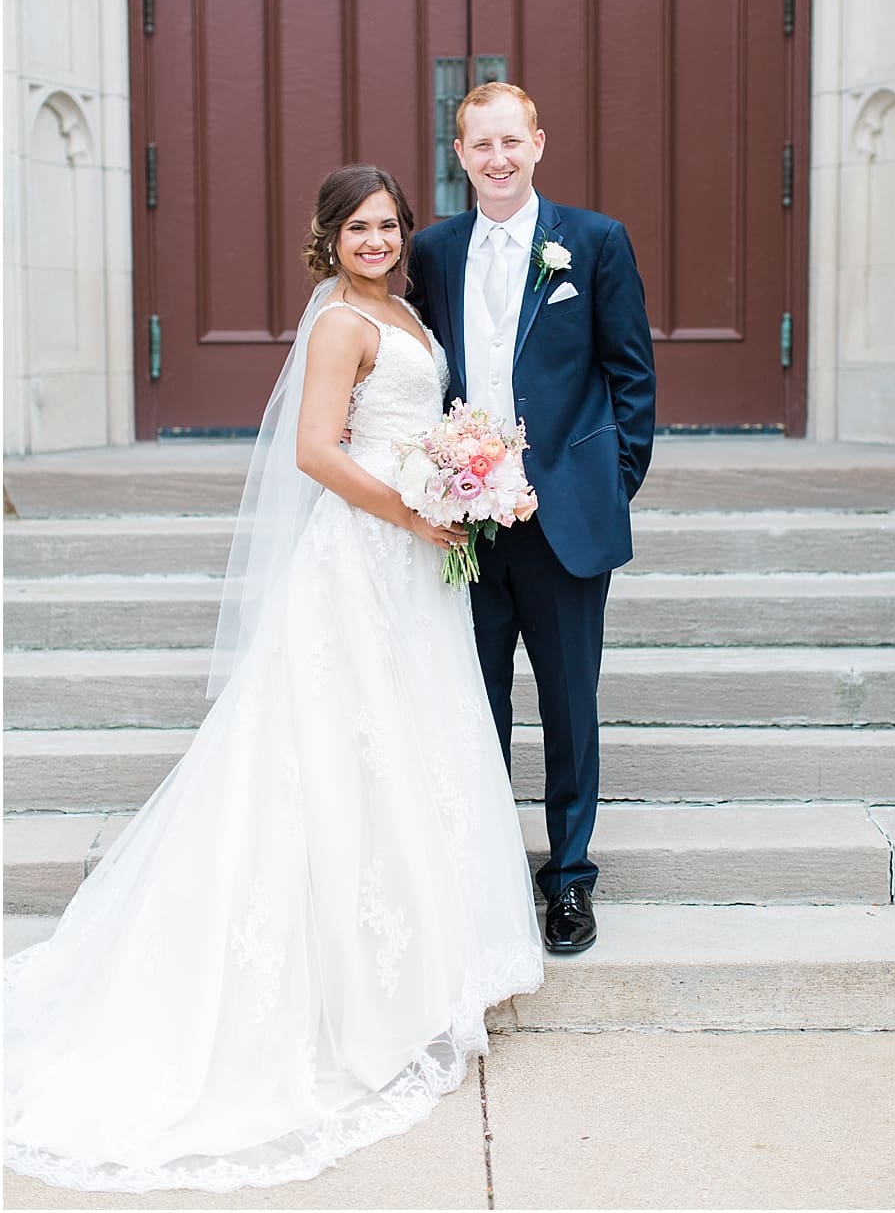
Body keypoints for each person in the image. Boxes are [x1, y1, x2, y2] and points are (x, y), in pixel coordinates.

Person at [4, 165, 543, 1192]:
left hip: (416, 557)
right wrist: (417, 508)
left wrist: (462, 473)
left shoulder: (403, 308)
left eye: (389, 224)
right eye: (359, 228)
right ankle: (356, 982)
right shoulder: (344, 320)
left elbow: (410, 429)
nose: (377, 240)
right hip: (368, 550)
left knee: (410, 742)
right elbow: (313, 451)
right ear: (329, 237)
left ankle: (424, 961)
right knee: (341, 746)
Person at [404, 82, 657, 955]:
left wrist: (608, 483)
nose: (498, 160)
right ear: (461, 154)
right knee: (471, 707)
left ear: (538, 143)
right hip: (465, 524)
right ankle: (481, 877)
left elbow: (632, 378)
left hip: (562, 520)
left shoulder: (592, 243)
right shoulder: (433, 252)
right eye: (481, 146)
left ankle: (570, 881)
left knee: (567, 706)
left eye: (511, 142)